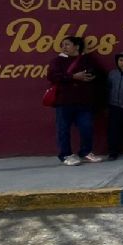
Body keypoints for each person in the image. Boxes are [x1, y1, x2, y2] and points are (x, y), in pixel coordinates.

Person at [47, 36, 104, 165]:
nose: (64, 47)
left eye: (67, 44)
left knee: (87, 127)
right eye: (63, 45)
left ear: (77, 46)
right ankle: (66, 155)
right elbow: (52, 76)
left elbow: (97, 74)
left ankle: (85, 151)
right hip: (64, 101)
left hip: (84, 100)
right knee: (63, 129)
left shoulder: (86, 60)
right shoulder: (57, 61)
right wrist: (73, 77)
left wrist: (91, 77)